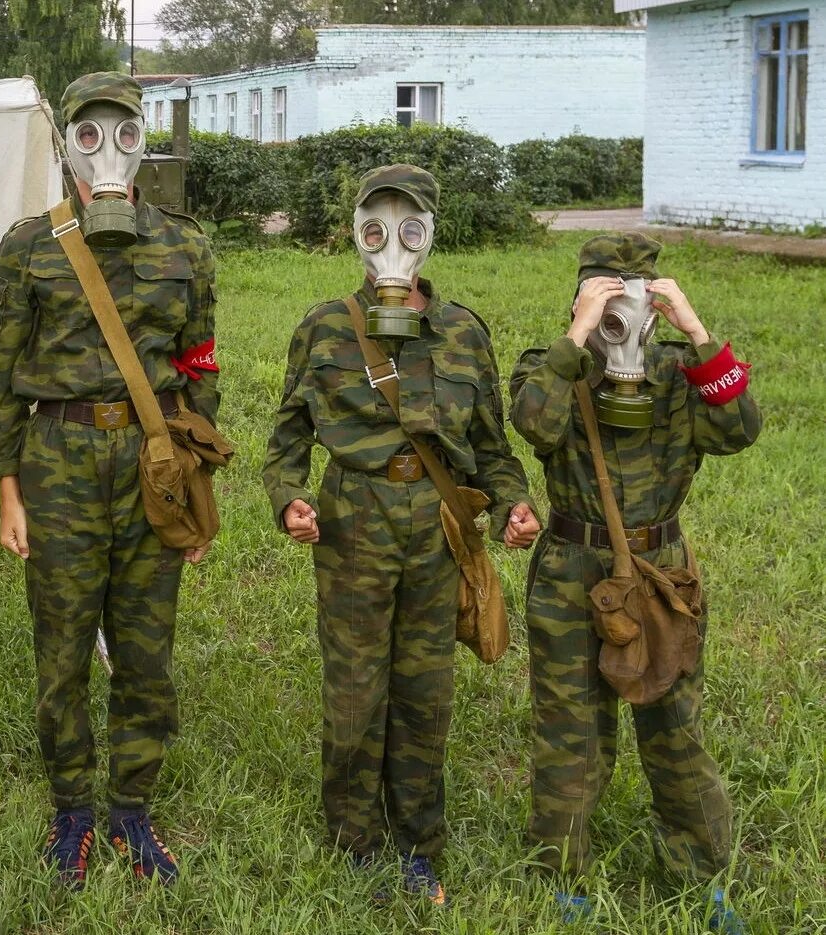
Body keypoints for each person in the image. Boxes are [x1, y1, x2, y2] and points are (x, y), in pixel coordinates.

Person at [261, 164, 538, 905]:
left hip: (438, 531)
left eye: (408, 228)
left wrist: (513, 503)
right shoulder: (324, 327)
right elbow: (287, 436)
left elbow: (493, 445)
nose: (392, 245)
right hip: (354, 523)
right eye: (376, 227)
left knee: (424, 693)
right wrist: (290, 498)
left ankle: (418, 844)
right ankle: (356, 841)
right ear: (357, 233)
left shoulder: (463, 331)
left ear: (429, 236)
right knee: (356, 691)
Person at [0, 71, 218, 890]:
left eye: (122, 132)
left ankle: (131, 808)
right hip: (59, 458)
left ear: (143, 139)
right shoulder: (29, 246)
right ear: (68, 146)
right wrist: (9, 489)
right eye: (89, 135)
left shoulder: (184, 245)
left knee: (147, 649)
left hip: (152, 467)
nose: (106, 152)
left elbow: (198, 371)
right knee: (62, 646)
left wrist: (195, 491)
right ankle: (71, 809)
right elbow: (5, 375)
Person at [510, 233, 758, 932]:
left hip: (660, 574)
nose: (623, 317)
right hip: (570, 568)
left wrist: (698, 334)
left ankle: (702, 873)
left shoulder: (683, 370)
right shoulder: (553, 365)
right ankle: (562, 875)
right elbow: (536, 423)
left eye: (634, 300)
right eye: (605, 298)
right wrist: (578, 335)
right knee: (571, 730)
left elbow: (739, 429)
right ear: (583, 297)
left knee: (675, 725)